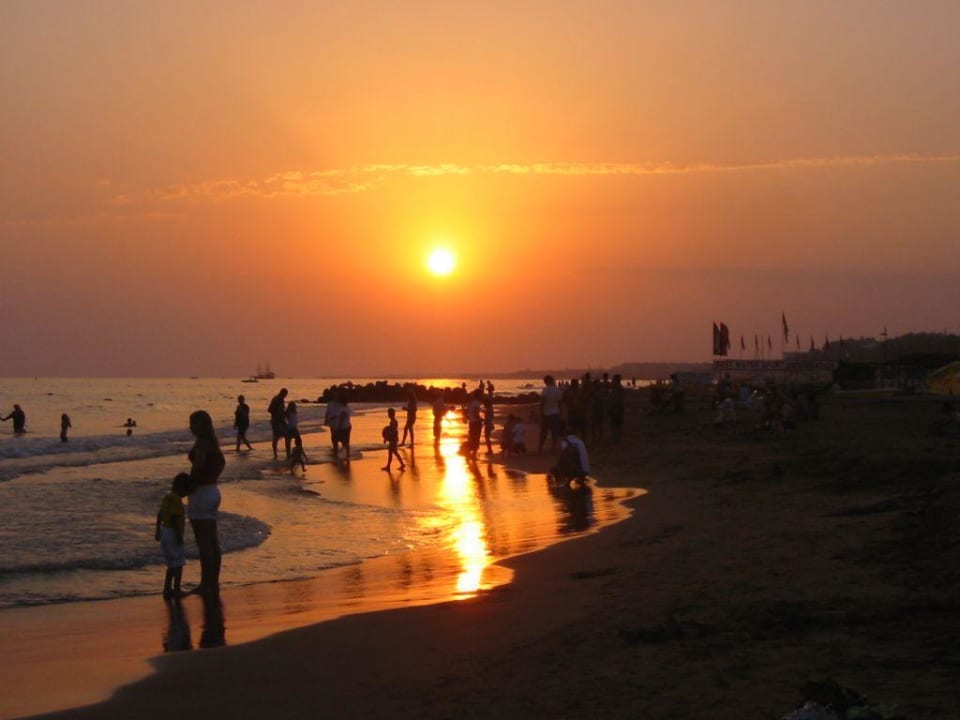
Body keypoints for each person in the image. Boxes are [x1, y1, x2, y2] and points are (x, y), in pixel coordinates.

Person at [185, 410, 225, 597]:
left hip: (201, 493)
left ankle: (205, 583)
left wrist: (187, 487)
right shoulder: (213, 443)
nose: (190, 427)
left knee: (204, 543)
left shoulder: (202, 444)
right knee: (212, 541)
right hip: (213, 491)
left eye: (192, 423)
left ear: (200, 425)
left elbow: (198, 467)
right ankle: (213, 582)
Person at [155, 472, 190, 599]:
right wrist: (179, 535)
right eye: (186, 491)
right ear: (182, 488)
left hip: (165, 531)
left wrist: (157, 531)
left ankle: (167, 588)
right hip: (173, 533)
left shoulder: (167, 497)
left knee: (171, 564)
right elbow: (176, 519)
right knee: (179, 563)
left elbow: (159, 515)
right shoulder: (176, 500)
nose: (187, 494)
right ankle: (177, 589)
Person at [538, 375, 563, 453]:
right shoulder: (557, 390)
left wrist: (541, 412)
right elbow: (560, 402)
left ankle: (540, 448)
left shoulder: (545, 390)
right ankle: (553, 448)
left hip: (546, 413)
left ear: (546, 382)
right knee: (554, 431)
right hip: (555, 413)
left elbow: (542, 402)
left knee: (544, 431)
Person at [267, 388, 289, 460]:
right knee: (276, 437)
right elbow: (269, 409)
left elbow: (282, 411)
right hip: (276, 421)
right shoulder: (276, 399)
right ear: (282, 393)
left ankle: (287, 453)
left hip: (281, 421)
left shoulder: (281, 399)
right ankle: (275, 454)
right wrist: (277, 412)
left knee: (287, 436)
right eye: (285, 394)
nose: (285, 396)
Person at [332, 396, 353, 463]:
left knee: (335, 439)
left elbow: (341, 419)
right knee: (346, 441)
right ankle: (347, 455)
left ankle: (337, 454)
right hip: (348, 426)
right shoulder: (348, 408)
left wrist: (338, 427)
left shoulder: (342, 410)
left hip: (343, 427)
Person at [465, 389, 484, 458]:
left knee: (471, 437)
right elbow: (476, 414)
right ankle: (474, 453)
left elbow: (466, 412)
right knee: (476, 438)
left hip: (471, 422)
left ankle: (469, 452)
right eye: (482, 395)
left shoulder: (470, 403)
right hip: (476, 423)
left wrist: (469, 417)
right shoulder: (477, 403)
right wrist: (480, 419)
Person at [324, 387, 342, 454]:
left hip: (339, 422)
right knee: (333, 435)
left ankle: (337, 447)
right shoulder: (330, 403)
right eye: (334, 395)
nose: (336, 396)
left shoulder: (340, 403)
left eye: (337, 395)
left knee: (338, 435)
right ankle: (335, 447)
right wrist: (326, 419)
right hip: (332, 421)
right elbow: (327, 412)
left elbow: (342, 412)